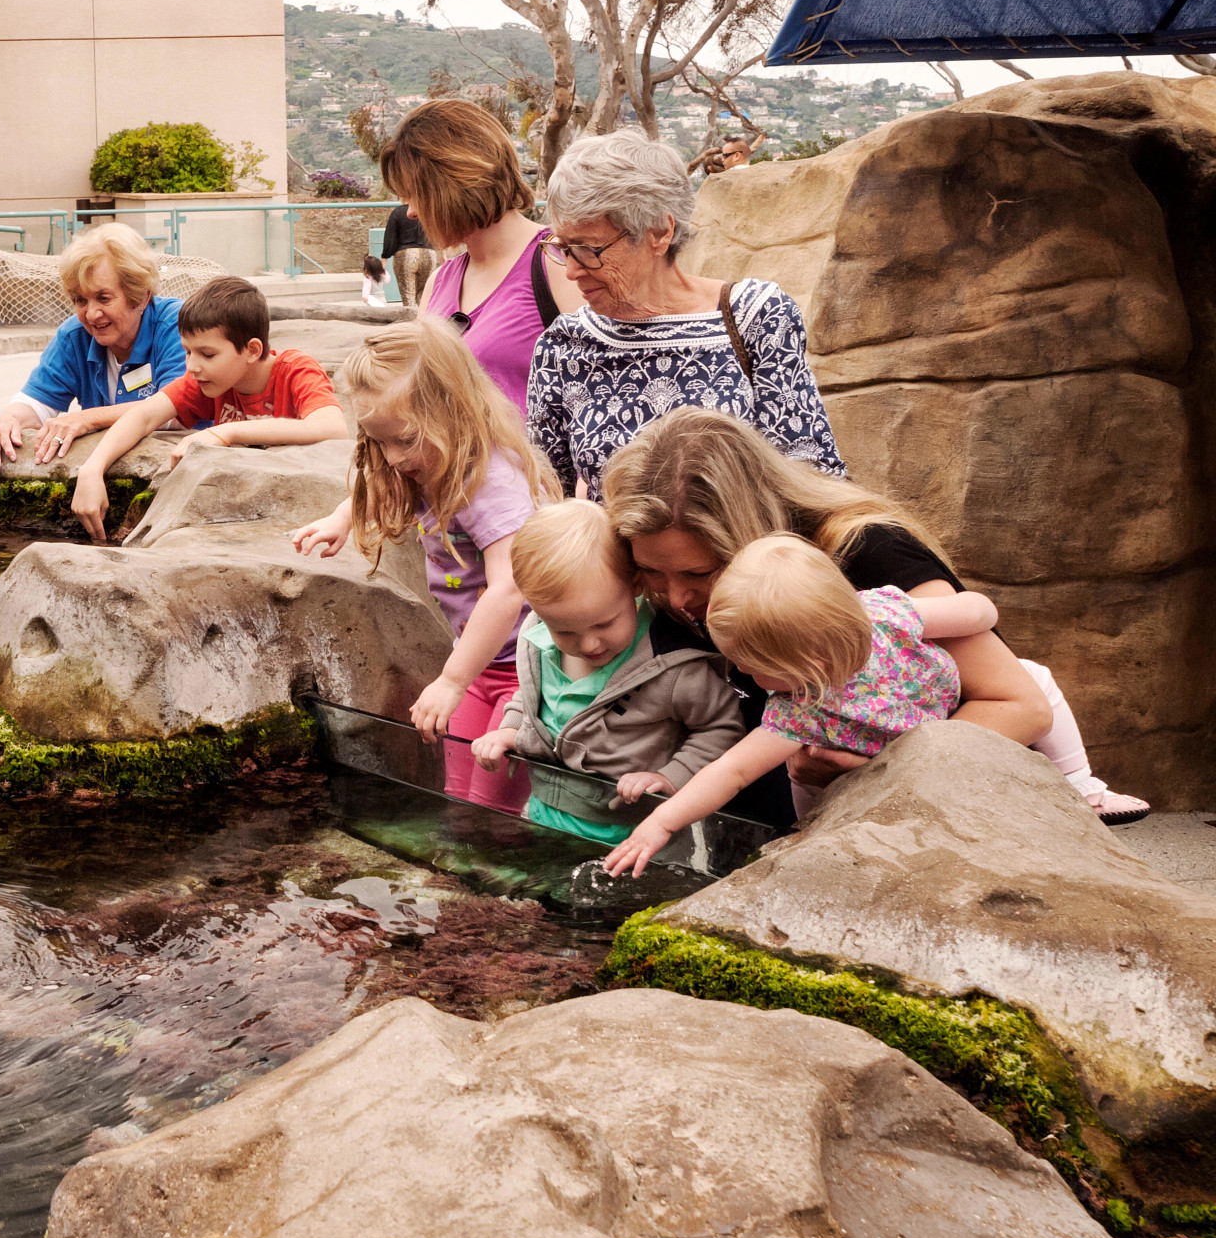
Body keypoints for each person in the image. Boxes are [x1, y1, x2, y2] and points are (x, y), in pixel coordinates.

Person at [602, 407, 1148, 824]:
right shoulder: (668, 592)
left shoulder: (867, 553)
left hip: (951, 806)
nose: (677, 598)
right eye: (652, 572)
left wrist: (879, 769)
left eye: (699, 573)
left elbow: (1022, 706)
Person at [601, 534, 1002, 877]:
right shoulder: (879, 615)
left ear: (805, 664)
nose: (740, 670)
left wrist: (661, 823)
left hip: (928, 744)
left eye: (750, 665)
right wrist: (663, 821)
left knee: (807, 789)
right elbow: (981, 610)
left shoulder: (804, 708)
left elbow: (733, 771)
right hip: (910, 749)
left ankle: (807, 834)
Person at [292, 318, 561, 812]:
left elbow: (509, 588)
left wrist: (451, 681)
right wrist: (342, 518)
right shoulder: (430, 458)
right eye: (380, 441)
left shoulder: (492, 483)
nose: (393, 457)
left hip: (529, 670)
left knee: (496, 804)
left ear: (453, 410)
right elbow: (382, 484)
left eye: (404, 440)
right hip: (478, 660)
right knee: (459, 796)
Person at [528, 128, 843, 499]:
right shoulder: (563, 346)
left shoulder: (755, 318)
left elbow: (814, 473)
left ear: (660, 232)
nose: (571, 271)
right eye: (563, 248)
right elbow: (547, 501)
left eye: (588, 249)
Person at [469, 500, 744, 845]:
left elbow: (721, 727)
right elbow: (531, 693)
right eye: (564, 630)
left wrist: (670, 777)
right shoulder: (539, 640)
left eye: (604, 623)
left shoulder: (673, 668)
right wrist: (511, 729)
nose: (589, 644)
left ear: (635, 584)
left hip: (635, 837)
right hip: (544, 817)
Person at [70, 277, 346, 540]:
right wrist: (92, 469)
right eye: (188, 352)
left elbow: (332, 428)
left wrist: (226, 432)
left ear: (252, 350)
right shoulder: (207, 381)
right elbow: (143, 416)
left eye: (207, 354)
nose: (192, 366)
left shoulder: (296, 369)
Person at [375, 99, 582, 417]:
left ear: (458, 181)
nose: (412, 211)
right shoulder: (439, 281)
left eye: (418, 194)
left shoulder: (558, 263)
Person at [0, 223, 185, 468]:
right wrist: (9, 421)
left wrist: (88, 419)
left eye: (104, 298)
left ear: (141, 296)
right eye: (80, 301)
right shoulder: (74, 336)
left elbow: (176, 408)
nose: (91, 314)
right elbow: (36, 403)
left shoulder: (177, 324)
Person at [363, 201, 434, 307]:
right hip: (429, 253)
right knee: (424, 294)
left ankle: (411, 317)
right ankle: (424, 316)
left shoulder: (398, 212)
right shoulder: (428, 211)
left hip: (406, 254)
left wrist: (384, 258)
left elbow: (390, 236)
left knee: (408, 295)